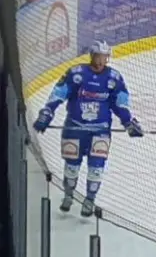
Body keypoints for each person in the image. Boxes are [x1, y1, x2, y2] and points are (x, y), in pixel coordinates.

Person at [33, 41, 144, 216]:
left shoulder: (114, 78)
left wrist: (128, 122)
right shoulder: (76, 73)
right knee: (71, 167)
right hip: (74, 129)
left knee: (96, 167)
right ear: (92, 56)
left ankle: (90, 199)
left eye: (104, 58)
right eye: (98, 57)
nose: (101, 61)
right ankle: (69, 195)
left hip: (100, 131)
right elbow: (59, 93)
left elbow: (120, 103)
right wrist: (47, 112)